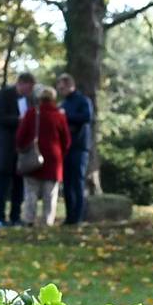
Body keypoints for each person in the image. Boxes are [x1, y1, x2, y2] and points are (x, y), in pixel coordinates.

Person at [14, 83, 70, 227]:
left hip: (33, 157)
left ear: (39, 98)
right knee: (50, 194)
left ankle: (29, 220)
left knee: (31, 192)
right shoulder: (59, 116)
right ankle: (47, 221)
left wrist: (22, 149)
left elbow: (20, 136)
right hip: (53, 160)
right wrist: (61, 153)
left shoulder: (32, 113)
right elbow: (67, 140)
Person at [0, 73, 34, 227]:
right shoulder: (5, 95)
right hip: (6, 146)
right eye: (27, 88)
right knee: (3, 183)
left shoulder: (29, 100)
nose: (28, 92)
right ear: (21, 84)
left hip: (21, 148)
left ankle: (16, 216)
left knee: (18, 184)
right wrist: (18, 120)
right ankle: (0, 217)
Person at [55, 73, 95, 225]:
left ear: (70, 85)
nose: (61, 90)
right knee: (67, 183)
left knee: (78, 182)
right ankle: (70, 216)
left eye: (63, 87)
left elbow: (86, 117)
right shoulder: (63, 103)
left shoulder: (83, 101)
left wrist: (66, 116)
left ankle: (78, 216)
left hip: (79, 146)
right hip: (65, 147)